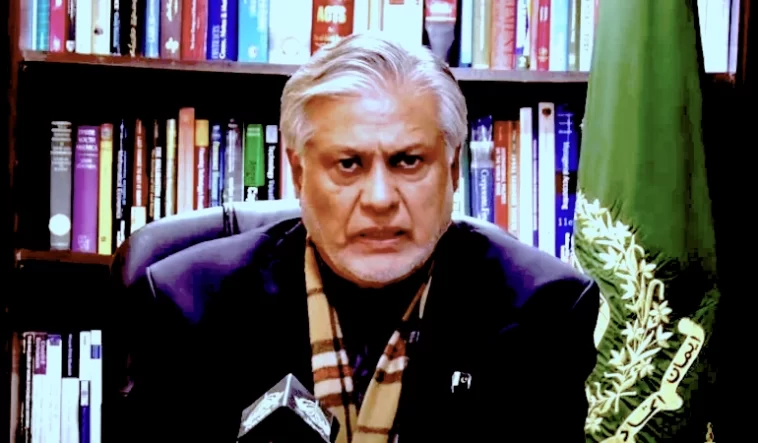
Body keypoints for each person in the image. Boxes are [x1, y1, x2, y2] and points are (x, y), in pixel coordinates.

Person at [116, 34, 599, 443]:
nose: (380, 198)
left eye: (408, 161)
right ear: (298, 172)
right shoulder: (187, 304)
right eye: (348, 164)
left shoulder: (545, 310)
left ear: (453, 170)